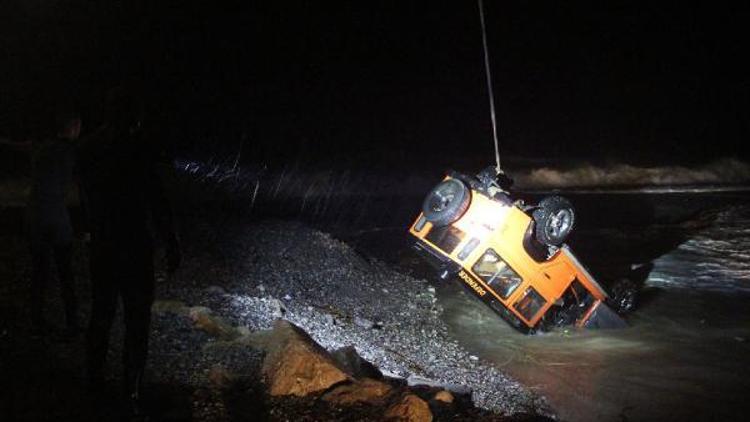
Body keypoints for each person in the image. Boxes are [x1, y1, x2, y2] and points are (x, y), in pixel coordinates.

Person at [78, 93, 180, 416]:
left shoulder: (89, 147)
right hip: (135, 245)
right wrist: (171, 242)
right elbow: (157, 200)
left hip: (104, 244)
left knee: (102, 314)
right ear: (133, 117)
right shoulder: (139, 148)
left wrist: (89, 226)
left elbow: (84, 193)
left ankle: (94, 381)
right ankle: (131, 388)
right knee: (137, 319)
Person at [1, 113, 82, 336]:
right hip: (56, 217)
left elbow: (18, 145)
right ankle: (72, 321)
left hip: (36, 215)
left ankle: (37, 319)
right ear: (74, 127)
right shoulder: (71, 150)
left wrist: (6, 141)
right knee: (65, 271)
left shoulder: (41, 147)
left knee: (40, 271)